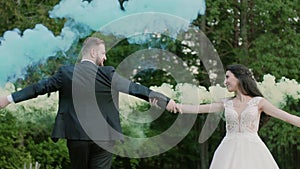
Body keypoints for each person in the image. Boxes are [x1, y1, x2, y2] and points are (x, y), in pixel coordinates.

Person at [0, 37, 176, 169]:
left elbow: (38, 88)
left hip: (77, 137)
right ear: (93, 52)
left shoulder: (65, 73)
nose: (105, 57)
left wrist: (8, 99)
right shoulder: (107, 74)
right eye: (103, 52)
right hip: (104, 137)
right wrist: (164, 100)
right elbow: (134, 88)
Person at [172, 64, 300, 169]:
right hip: (228, 151)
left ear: (238, 78)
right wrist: (174, 105)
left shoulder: (259, 102)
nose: (225, 81)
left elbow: (287, 117)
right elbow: (198, 109)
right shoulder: (226, 103)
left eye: (228, 77)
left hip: (253, 151)